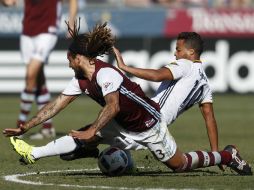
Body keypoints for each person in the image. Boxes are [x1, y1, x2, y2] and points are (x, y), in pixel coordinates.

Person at [3, 20, 252, 176]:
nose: (67, 64)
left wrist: (94, 132)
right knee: (85, 134)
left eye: (69, 59)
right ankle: (33, 153)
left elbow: (113, 105)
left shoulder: (106, 73)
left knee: (180, 165)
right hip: (123, 123)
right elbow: (56, 105)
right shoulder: (81, 78)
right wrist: (26, 126)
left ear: (77, 57)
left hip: (150, 125)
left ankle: (227, 155)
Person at [115, 32, 218, 153]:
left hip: (148, 116)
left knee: (105, 134)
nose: (175, 53)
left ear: (191, 52)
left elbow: (156, 75)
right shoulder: (204, 83)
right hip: (160, 129)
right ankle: (225, 156)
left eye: (178, 50)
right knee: (117, 144)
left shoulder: (185, 64)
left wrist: (124, 67)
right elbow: (209, 117)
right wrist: (215, 152)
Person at [2, 0, 78, 140]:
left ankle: (21, 126)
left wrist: (71, 21)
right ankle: (47, 128)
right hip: (28, 30)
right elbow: (10, 2)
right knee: (38, 79)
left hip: (47, 29)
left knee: (30, 75)